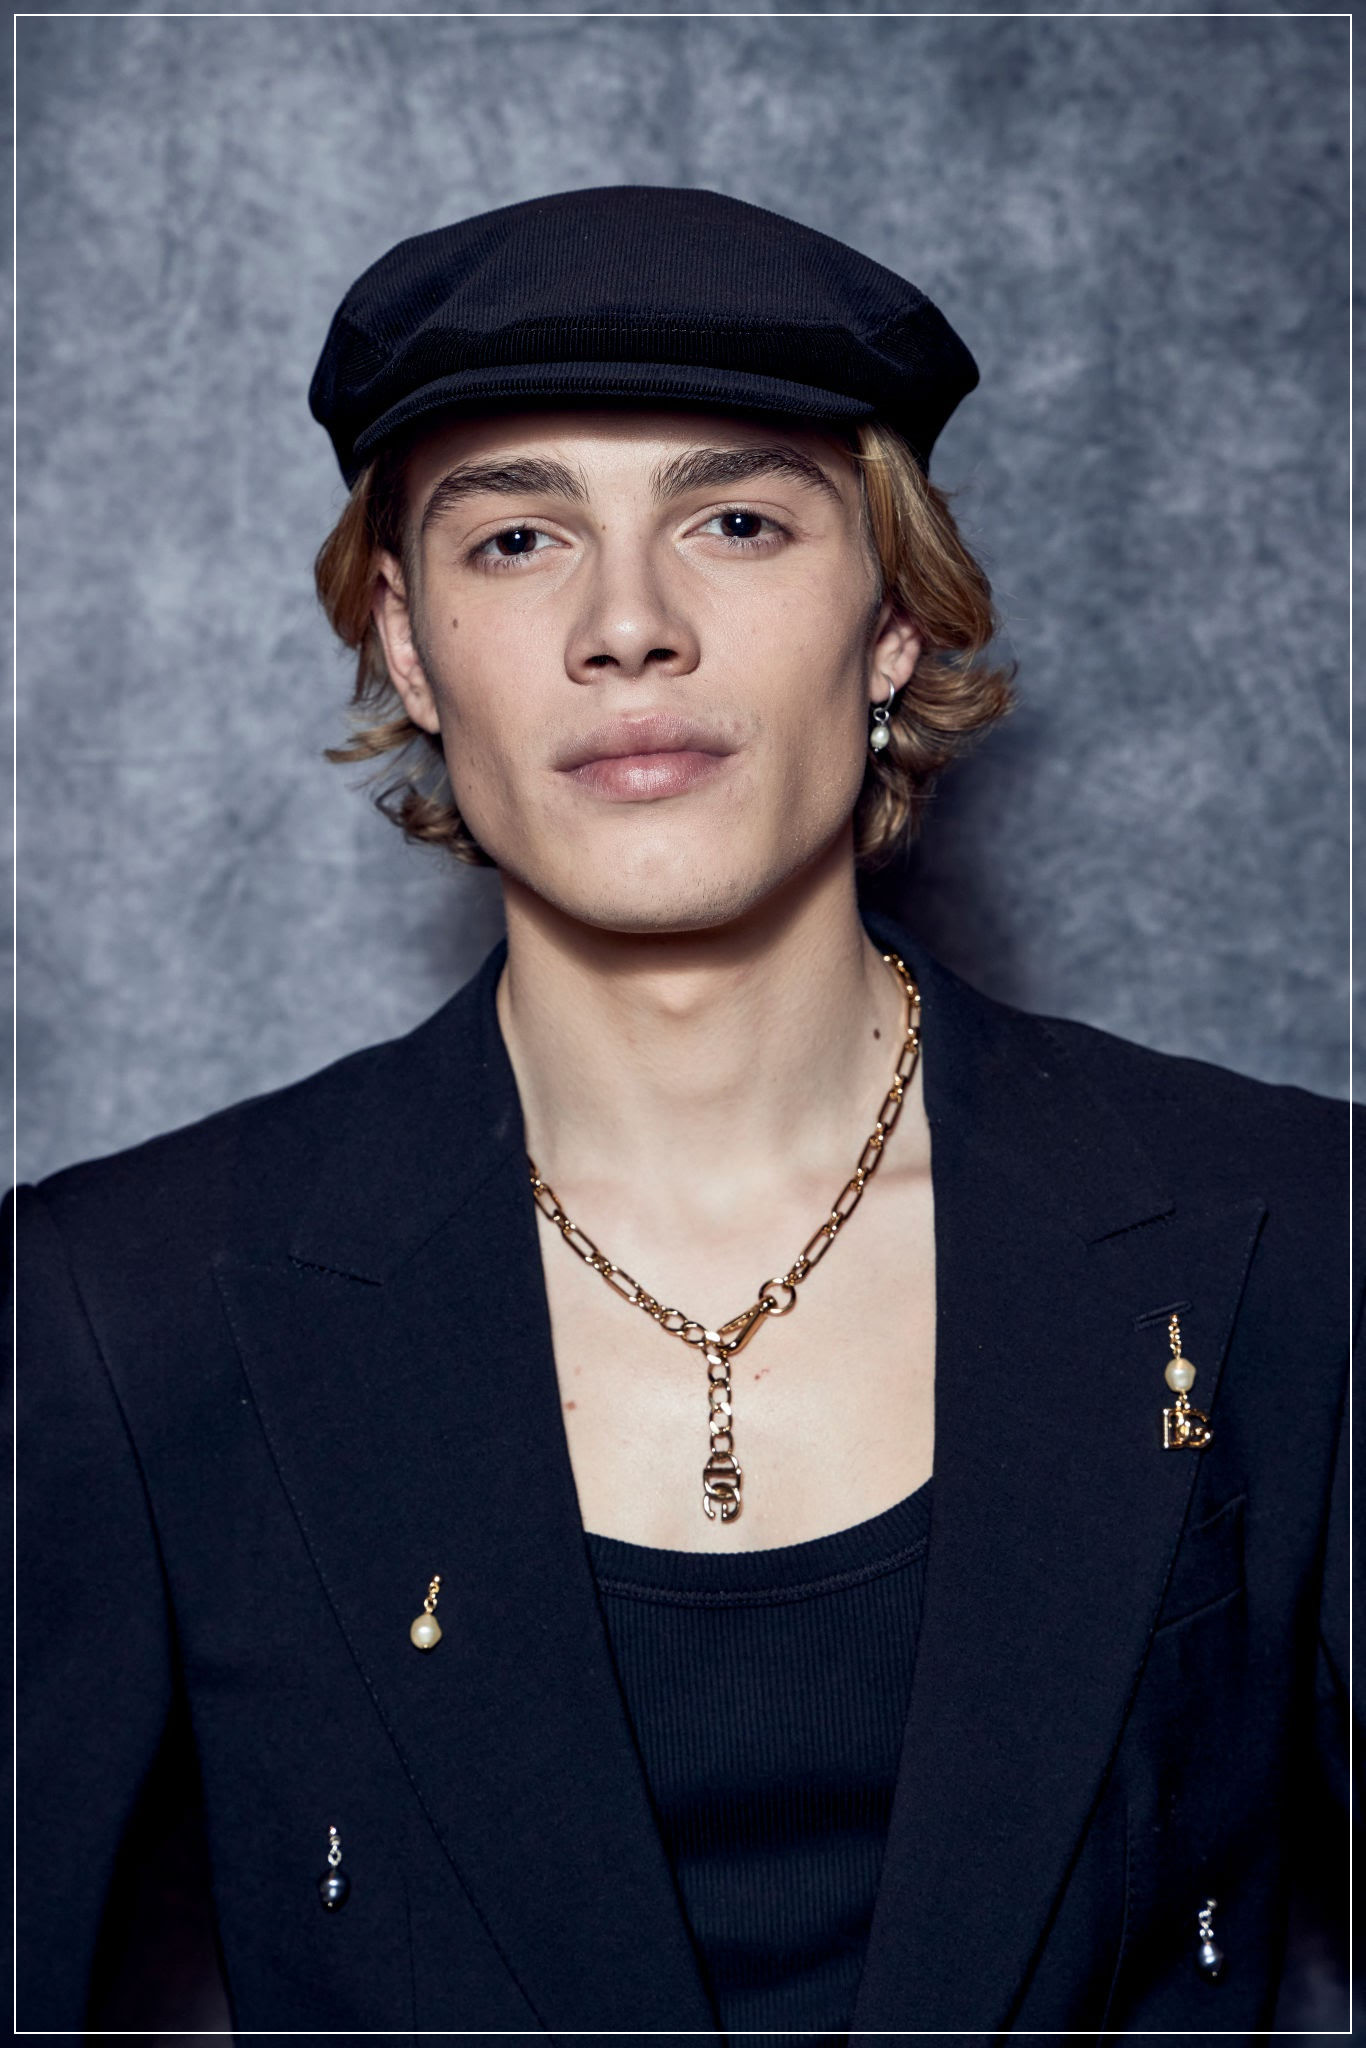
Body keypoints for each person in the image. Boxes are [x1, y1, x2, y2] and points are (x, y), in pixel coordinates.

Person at [13, 186, 1351, 2040]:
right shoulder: (118, 1307)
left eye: (735, 522)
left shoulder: (1295, 1235)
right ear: (410, 645)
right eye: (515, 539)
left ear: (890, 619)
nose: (627, 625)